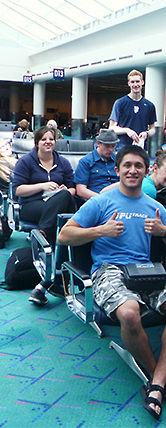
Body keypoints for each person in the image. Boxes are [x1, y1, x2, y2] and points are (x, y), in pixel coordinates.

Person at [57, 145, 166, 421]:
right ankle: (163, 382)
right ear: (118, 169)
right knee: (129, 312)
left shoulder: (154, 206)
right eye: (127, 165)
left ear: (147, 171)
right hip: (109, 270)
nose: (132, 170)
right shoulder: (100, 202)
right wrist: (101, 231)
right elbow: (64, 235)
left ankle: (155, 384)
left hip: (144, 269)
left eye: (138, 166)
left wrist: (164, 232)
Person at [11, 125, 76, 305]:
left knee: (64, 203)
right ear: (37, 143)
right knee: (63, 221)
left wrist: (64, 191)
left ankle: (43, 238)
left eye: (51, 139)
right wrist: (42, 186)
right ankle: (55, 277)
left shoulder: (62, 162)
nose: (48, 142)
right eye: (44, 139)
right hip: (32, 205)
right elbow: (18, 190)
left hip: (56, 206)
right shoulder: (26, 161)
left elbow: (72, 188)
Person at [109, 70, 156, 150]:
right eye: (132, 82)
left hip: (140, 148)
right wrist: (127, 130)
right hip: (122, 148)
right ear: (129, 84)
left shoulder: (149, 105)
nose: (135, 84)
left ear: (142, 82)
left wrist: (146, 133)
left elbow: (153, 129)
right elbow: (112, 128)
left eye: (137, 81)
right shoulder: (120, 103)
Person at [74, 129, 119, 200]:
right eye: (107, 146)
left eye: (113, 146)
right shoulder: (86, 162)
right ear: (98, 143)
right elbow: (80, 190)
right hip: (95, 200)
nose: (110, 149)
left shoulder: (118, 160)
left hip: (118, 198)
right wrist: (101, 198)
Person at [0, 138, 17, 248]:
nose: (6, 147)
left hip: (15, 198)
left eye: (6, 144)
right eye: (1, 147)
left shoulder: (21, 163)